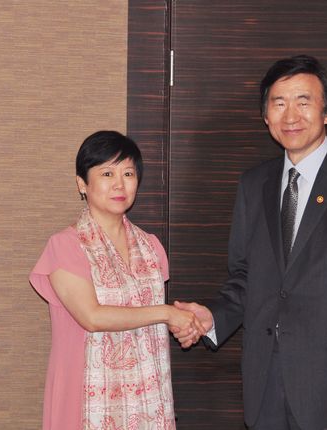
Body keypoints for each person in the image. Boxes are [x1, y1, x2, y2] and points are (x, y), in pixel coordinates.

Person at [173, 55, 327, 430]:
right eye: (278, 104)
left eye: (303, 101)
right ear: (266, 117)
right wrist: (212, 317)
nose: (290, 115)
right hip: (266, 381)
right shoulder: (254, 185)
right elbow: (245, 277)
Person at [30, 131, 205, 430]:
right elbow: (92, 317)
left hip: (148, 393)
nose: (119, 184)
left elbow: (148, 320)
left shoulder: (151, 246)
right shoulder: (65, 245)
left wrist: (185, 323)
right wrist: (167, 313)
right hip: (86, 395)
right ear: (82, 183)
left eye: (128, 173)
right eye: (107, 173)